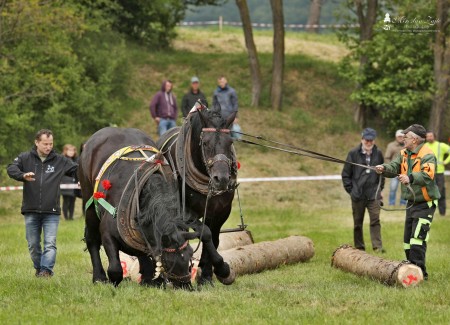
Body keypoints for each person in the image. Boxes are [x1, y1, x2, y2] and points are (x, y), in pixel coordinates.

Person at [7, 129, 78, 277]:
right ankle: (39, 268)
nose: (48, 147)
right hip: (30, 209)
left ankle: (46, 271)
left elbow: (77, 170)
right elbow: (11, 168)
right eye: (45, 144)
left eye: (50, 144)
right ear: (37, 143)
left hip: (51, 211)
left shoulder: (60, 160)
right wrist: (22, 175)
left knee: (50, 243)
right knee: (33, 245)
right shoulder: (25, 158)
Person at [376, 124, 440, 280]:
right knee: (407, 241)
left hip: (425, 204)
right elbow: (394, 167)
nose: (403, 138)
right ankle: (411, 271)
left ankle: (420, 275)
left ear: (415, 139)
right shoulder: (404, 153)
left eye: (406, 136)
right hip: (411, 203)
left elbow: (427, 175)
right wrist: (383, 168)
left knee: (417, 239)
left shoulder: (428, 154)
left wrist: (410, 177)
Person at [342, 128, 385, 252]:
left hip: (373, 195)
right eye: (367, 140)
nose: (369, 143)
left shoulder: (379, 153)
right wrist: (351, 191)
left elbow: (382, 174)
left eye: (371, 140)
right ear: (362, 139)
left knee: (375, 220)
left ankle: (377, 247)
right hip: (358, 195)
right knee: (357, 223)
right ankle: (359, 248)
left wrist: (379, 189)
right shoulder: (353, 153)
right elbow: (346, 174)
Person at [426, 131, 450, 216]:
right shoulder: (425, 146)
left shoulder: (441, 145)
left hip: (439, 173)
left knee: (440, 193)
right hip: (428, 173)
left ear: (434, 136)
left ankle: (442, 212)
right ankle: (428, 212)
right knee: (428, 193)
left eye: (430, 136)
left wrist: (445, 161)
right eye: (427, 136)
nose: (429, 138)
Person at [385, 130, 407, 206]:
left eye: (402, 136)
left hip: (405, 171)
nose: (401, 138)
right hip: (394, 171)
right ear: (396, 137)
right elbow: (387, 157)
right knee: (393, 188)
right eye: (399, 136)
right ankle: (391, 203)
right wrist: (390, 168)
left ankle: (403, 203)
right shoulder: (391, 145)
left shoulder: (407, 145)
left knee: (405, 189)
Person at [60, 144, 78, 221]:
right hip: (65, 183)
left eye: (73, 150)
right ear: (65, 151)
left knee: (73, 200)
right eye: (69, 150)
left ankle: (71, 217)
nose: (71, 152)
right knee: (66, 200)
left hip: (74, 183)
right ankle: (66, 217)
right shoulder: (62, 160)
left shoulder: (75, 160)